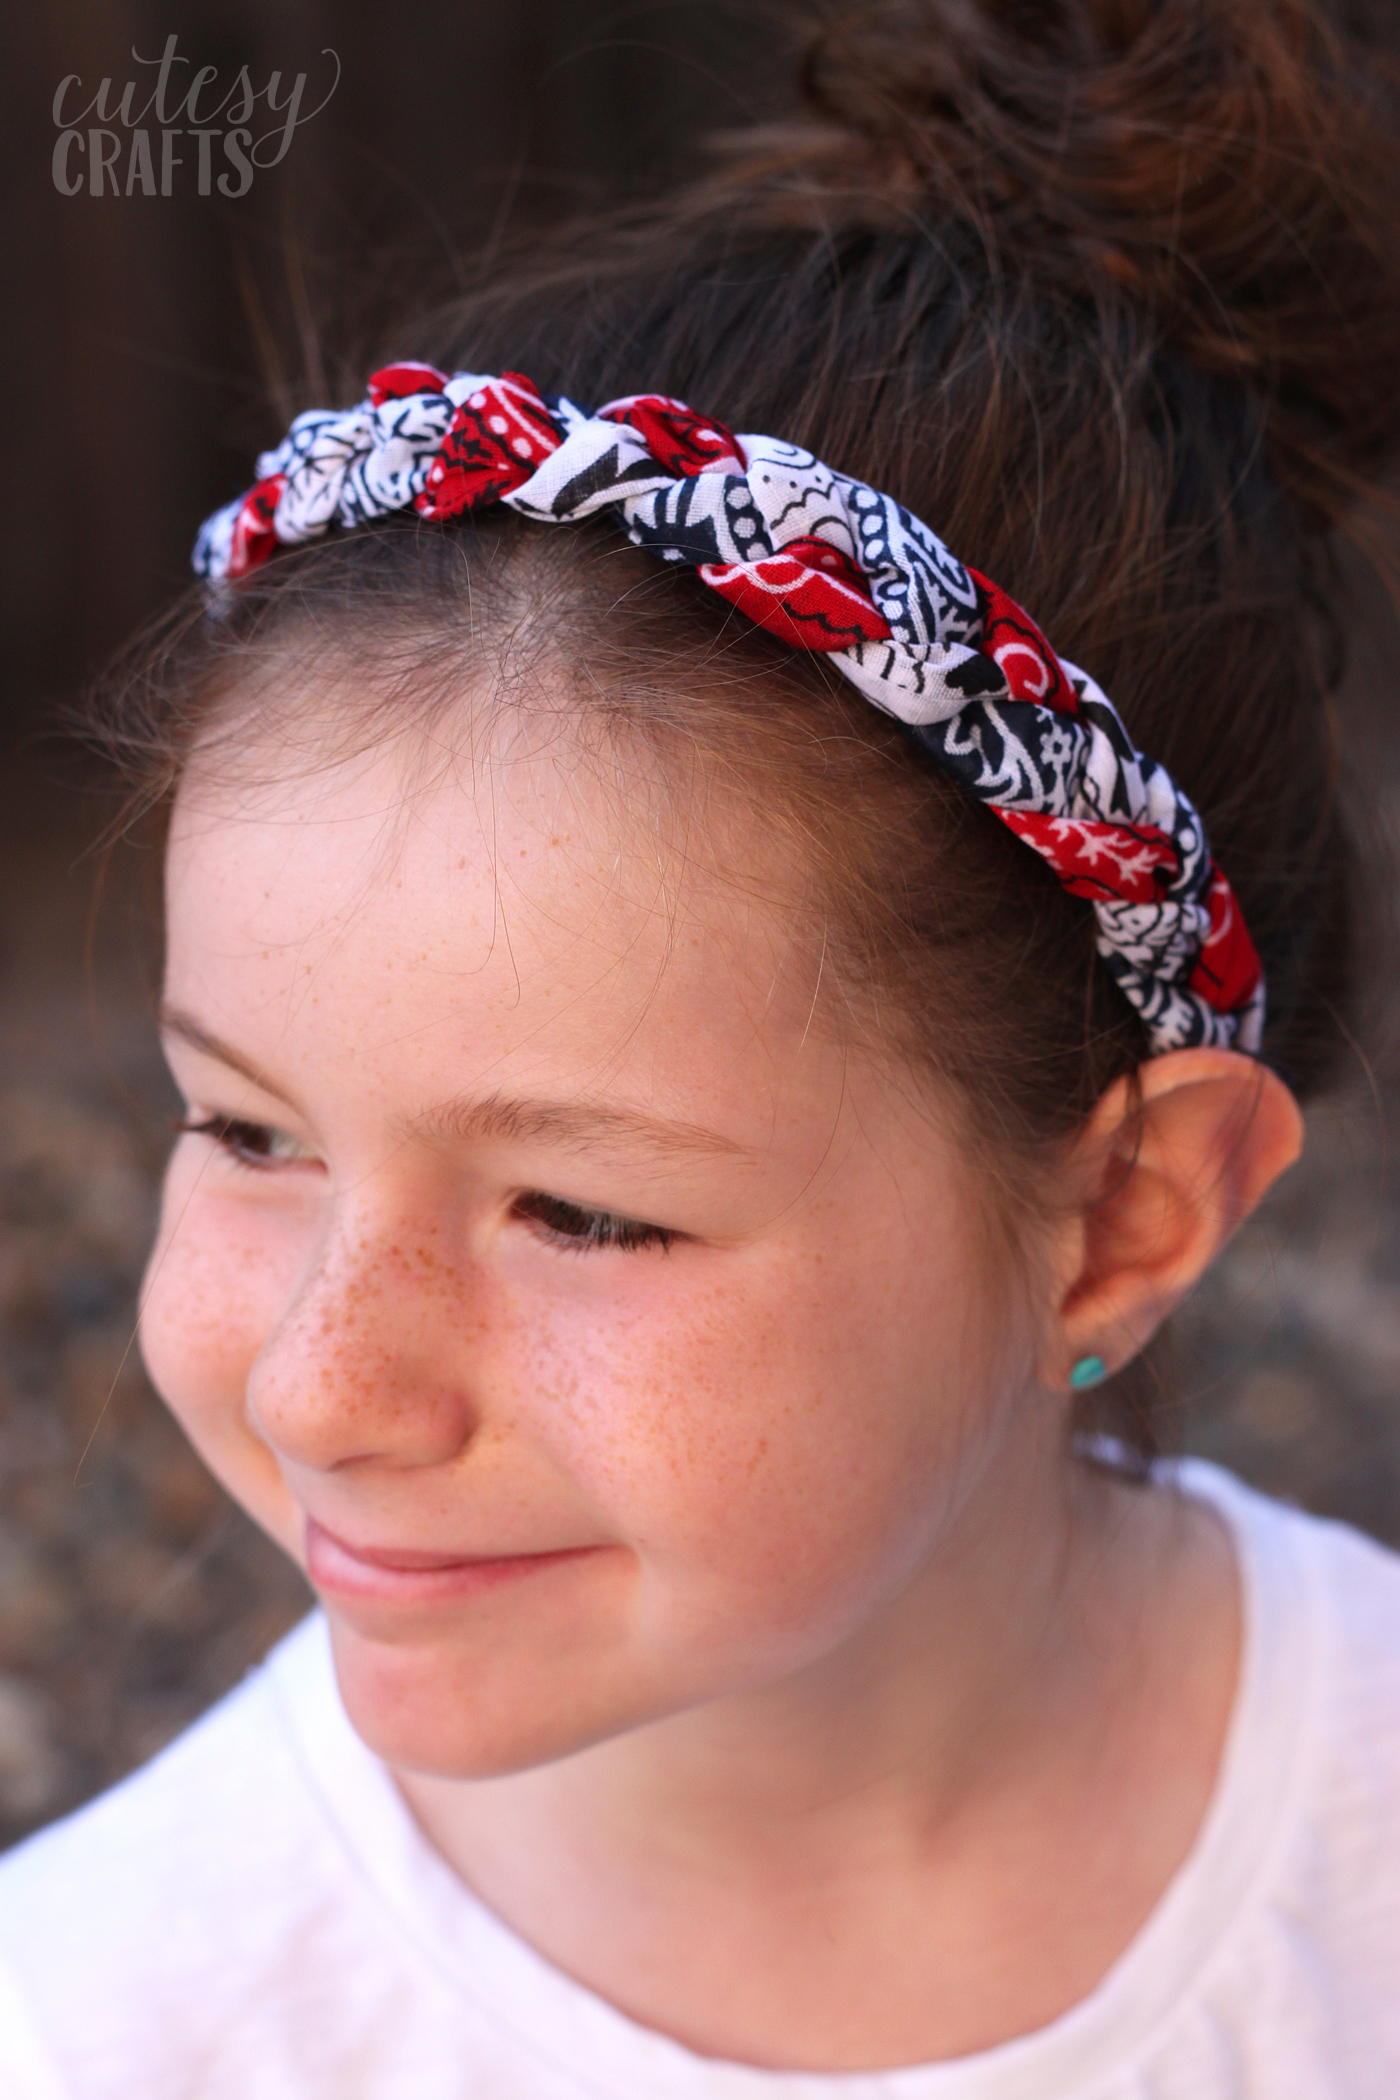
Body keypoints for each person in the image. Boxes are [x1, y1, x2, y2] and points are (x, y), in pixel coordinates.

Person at [3, 1, 1399, 2092]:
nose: (321, 1381)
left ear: (1114, 1220)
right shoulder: (105, 2024)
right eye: (244, 1128)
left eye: (582, 1209)